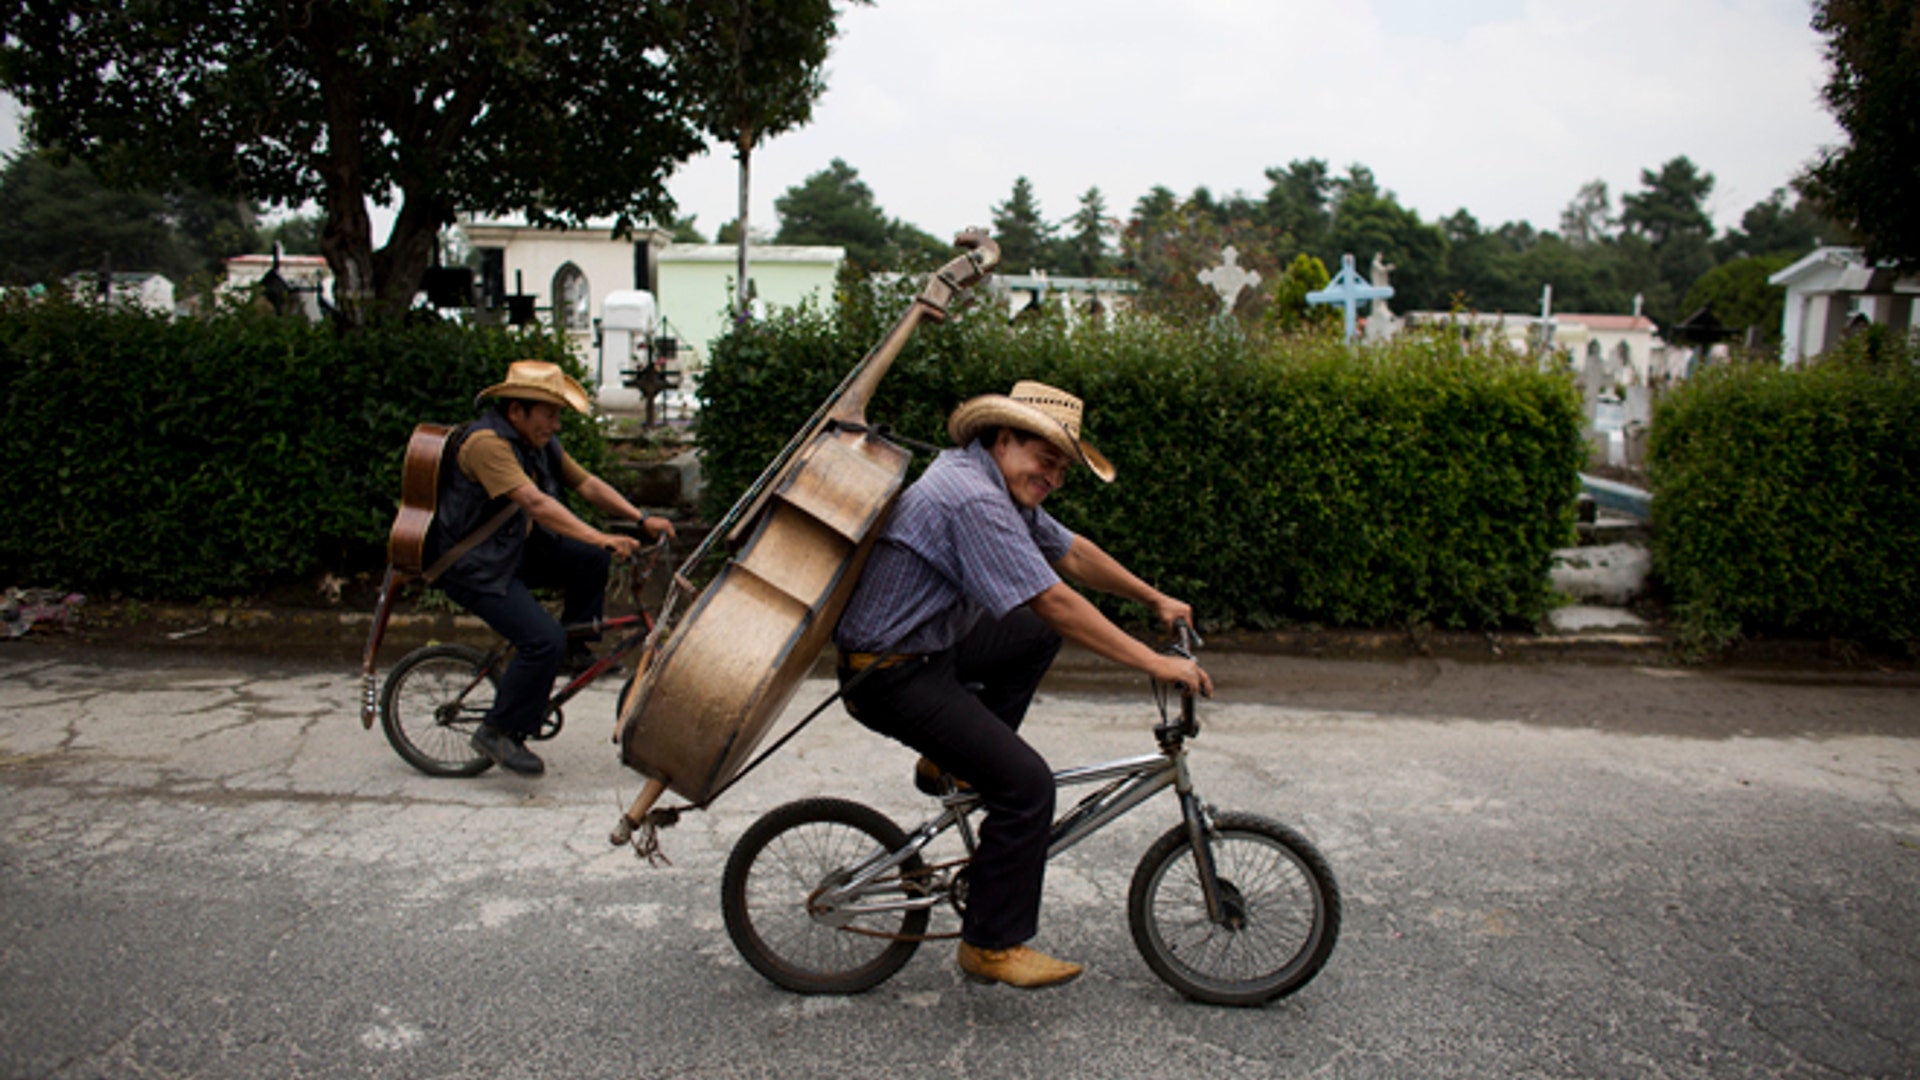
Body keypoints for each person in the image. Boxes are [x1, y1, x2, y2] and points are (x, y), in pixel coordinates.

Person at [833, 380, 1211, 990]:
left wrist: (1155, 597)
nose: (1054, 476)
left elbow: (1073, 555)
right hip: (889, 673)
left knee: (1030, 635)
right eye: (1047, 459)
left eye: (1064, 468)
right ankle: (990, 943)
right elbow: (1056, 600)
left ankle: (947, 764)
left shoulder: (991, 481)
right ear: (1003, 436)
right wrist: (1153, 662)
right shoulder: (971, 499)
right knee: (1027, 787)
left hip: (930, 648)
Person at [433, 360, 674, 777]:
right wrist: (601, 536)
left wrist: (640, 519)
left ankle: (575, 650)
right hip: (475, 566)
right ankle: (498, 730)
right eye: (550, 414)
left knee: (589, 560)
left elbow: (587, 484)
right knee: (543, 639)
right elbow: (537, 504)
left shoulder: (536, 443)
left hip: (510, 552)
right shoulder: (486, 445)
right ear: (517, 412)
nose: (556, 425)